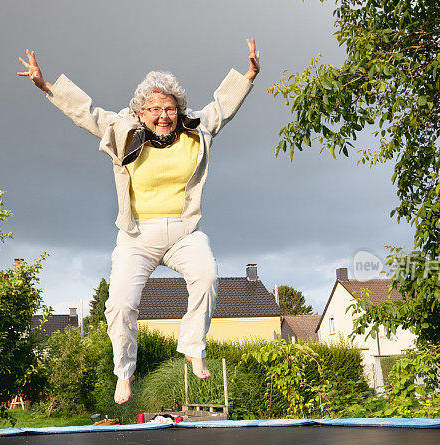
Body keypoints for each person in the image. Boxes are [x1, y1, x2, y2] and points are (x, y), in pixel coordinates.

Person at [18, 39, 260, 404]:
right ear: (141, 112)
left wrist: (249, 75)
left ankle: (193, 347)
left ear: (179, 110)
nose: (163, 116)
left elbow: (222, 107)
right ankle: (124, 373)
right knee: (118, 304)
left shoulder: (195, 129)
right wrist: (47, 86)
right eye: (155, 110)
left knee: (208, 276)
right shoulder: (122, 130)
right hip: (137, 236)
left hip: (184, 231)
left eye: (170, 109)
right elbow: (87, 112)